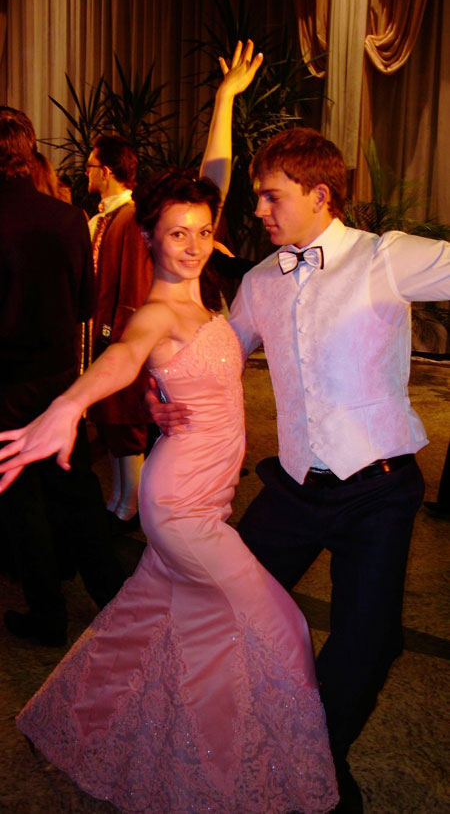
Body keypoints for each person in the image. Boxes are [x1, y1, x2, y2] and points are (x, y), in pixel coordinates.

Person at [0, 45, 339, 814]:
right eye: (176, 233)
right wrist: (68, 404)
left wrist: (225, 99)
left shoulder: (207, 280)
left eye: (200, 230)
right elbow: (120, 358)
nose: (190, 243)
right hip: (181, 504)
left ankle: (80, 719)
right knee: (279, 625)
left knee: (150, 618)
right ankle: (216, 777)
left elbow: (213, 177)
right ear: (148, 237)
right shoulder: (157, 311)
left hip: (210, 491)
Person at [146, 126, 450, 812]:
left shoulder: (384, 257)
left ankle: (318, 763)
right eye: (256, 196)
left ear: (319, 194)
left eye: (271, 196)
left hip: (378, 490)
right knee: (218, 605)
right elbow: (213, 357)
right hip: (292, 488)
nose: (258, 210)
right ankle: (225, 741)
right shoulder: (260, 282)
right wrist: (159, 391)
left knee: (368, 643)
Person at [0, 105, 124, 646]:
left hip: (4, 383)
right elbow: (85, 305)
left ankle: (47, 614)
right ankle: (115, 596)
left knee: (19, 500)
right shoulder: (67, 218)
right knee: (75, 490)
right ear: (28, 152)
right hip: (57, 378)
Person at [85, 132, 155, 533]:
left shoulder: (130, 217)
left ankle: (131, 505)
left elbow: (132, 286)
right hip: (104, 333)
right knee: (110, 421)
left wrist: (116, 337)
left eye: (91, 166)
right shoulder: (106, 217)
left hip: (120, 337)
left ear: (107, 171)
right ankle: (118, 499)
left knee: (125, 419)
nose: (87, 173)